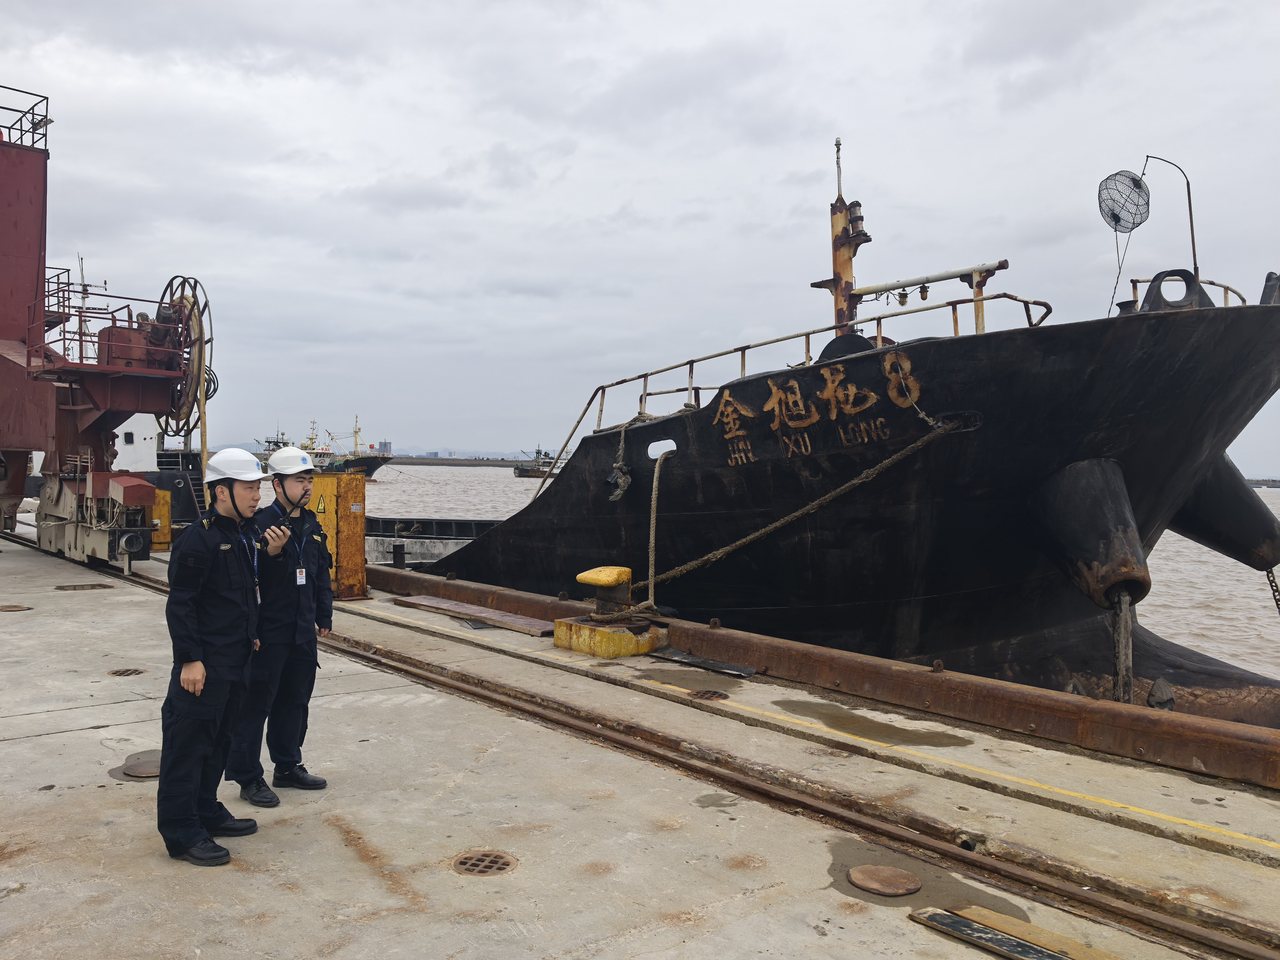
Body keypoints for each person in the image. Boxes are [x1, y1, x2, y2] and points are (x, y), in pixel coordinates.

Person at [156, 448, 291, 866]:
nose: (256, 496)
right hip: (205, 665)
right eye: (248, 488)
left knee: (217, 743)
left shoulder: (243, 536)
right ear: (221, 491)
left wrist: (252, 636)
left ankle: (205, 810)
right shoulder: (198, 540)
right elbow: (181, 603)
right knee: (187, 747)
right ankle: (181, 832)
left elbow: (244, 596)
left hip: (235, 663)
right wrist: (189, 659)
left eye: (257, 488)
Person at [226, 445, 333, 807]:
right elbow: (247, 581)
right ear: (277, 484)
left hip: (301, 632)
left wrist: (324, 615)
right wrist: (270, 555)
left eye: (309, 480)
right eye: (299, 480)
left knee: (295, 701)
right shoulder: (257, 526)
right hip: (267, 634)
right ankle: (247, 776)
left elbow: (320, 574)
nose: (307, 487)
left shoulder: (312, 525)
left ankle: (287, 765)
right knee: (255, 706)